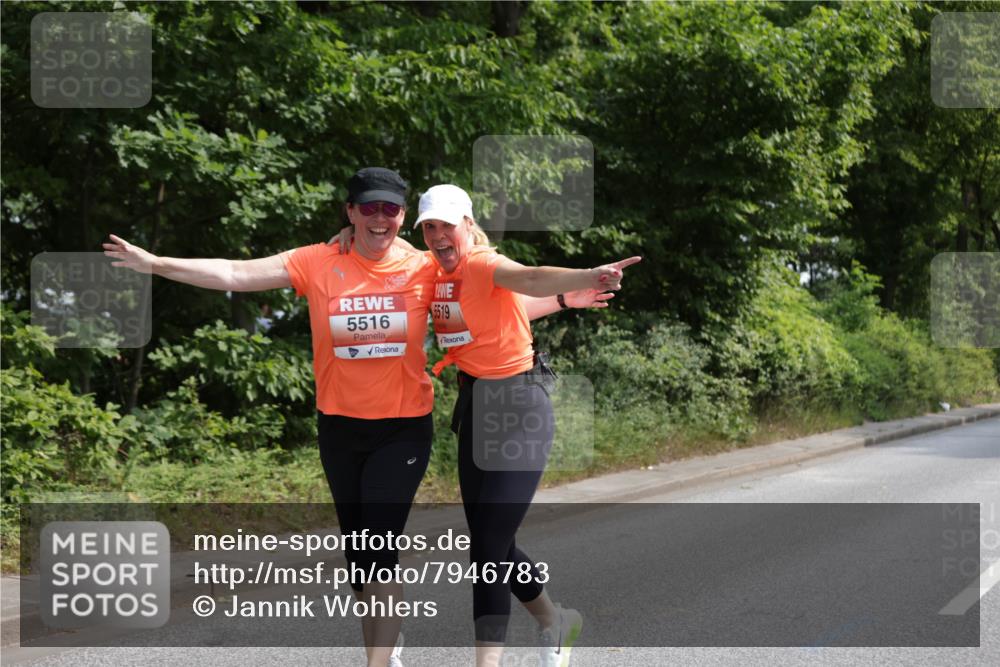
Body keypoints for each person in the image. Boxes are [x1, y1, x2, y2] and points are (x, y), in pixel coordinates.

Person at [105, 169, 629, 667]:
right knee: (370, 558)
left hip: (411, 425)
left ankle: (393, 656)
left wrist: (570, 288)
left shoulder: (425, 265)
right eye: (371, 209)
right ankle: (533, 622)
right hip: (347, 426)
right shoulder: (323, 260)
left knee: (403, 549)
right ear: (351, 213)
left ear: (406, 218)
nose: (383, 218)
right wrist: (155, 263)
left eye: (393, 210)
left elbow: (507, 292)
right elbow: (237, 273)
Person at [340, 184, 640, 667]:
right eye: (430, 227)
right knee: (493, 541)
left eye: (446, 225)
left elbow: (528, 278)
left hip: (520, 406)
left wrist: (585, 274)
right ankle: (555, 621)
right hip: (476, 406)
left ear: (467, 224)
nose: (438, 236)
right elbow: (506, 310)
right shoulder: (434, 272)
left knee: (486, 551)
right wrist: (566, 300)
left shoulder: (481, 261)